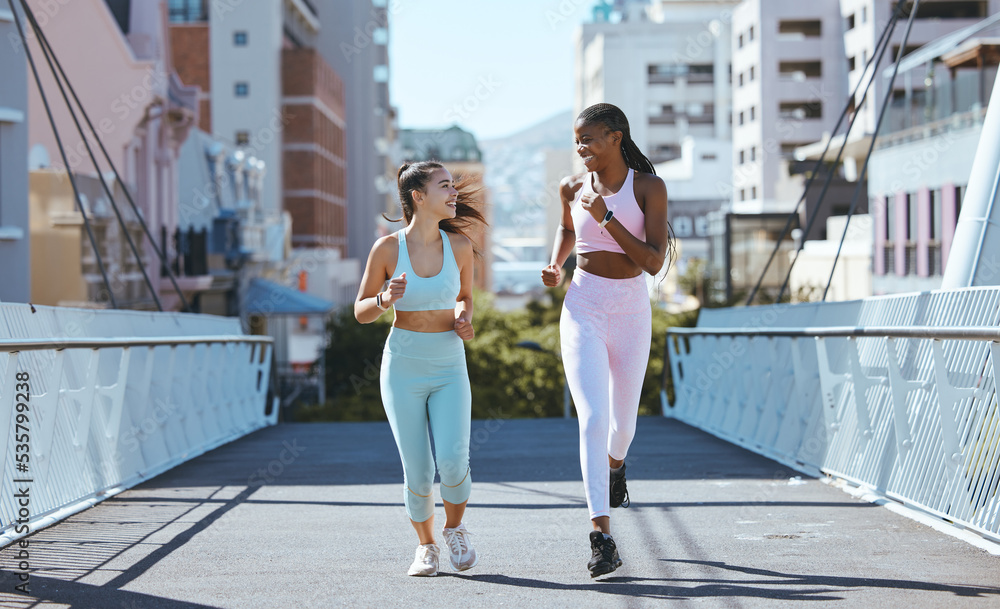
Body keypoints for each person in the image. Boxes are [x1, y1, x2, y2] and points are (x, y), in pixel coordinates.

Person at [541, 103, 672, 578]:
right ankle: (602, 536)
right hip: (583, 307)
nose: (581, 149)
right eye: (577, 141)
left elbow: (654, 262)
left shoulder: (648, 187)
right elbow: (566, 228)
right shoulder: (572, 187)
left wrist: (609, 218)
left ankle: (616, 467)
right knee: (593, 420)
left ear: (616, 137)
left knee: (622, 428)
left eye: (590, 139)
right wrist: (557, 264)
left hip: (631, 309)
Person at [355, 161, 487, 577]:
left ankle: (455, 530)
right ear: (418, 197)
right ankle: (425, 547)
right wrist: (382, 299)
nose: (453, 193)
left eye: (451, 185)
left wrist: (464, 318)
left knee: (452, 459)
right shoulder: (387, 249)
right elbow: (359, 312)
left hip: (449, 362)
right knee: (419, 469)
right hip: (403, 365)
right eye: (444, 186)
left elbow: (465, 296)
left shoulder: (461, 246)